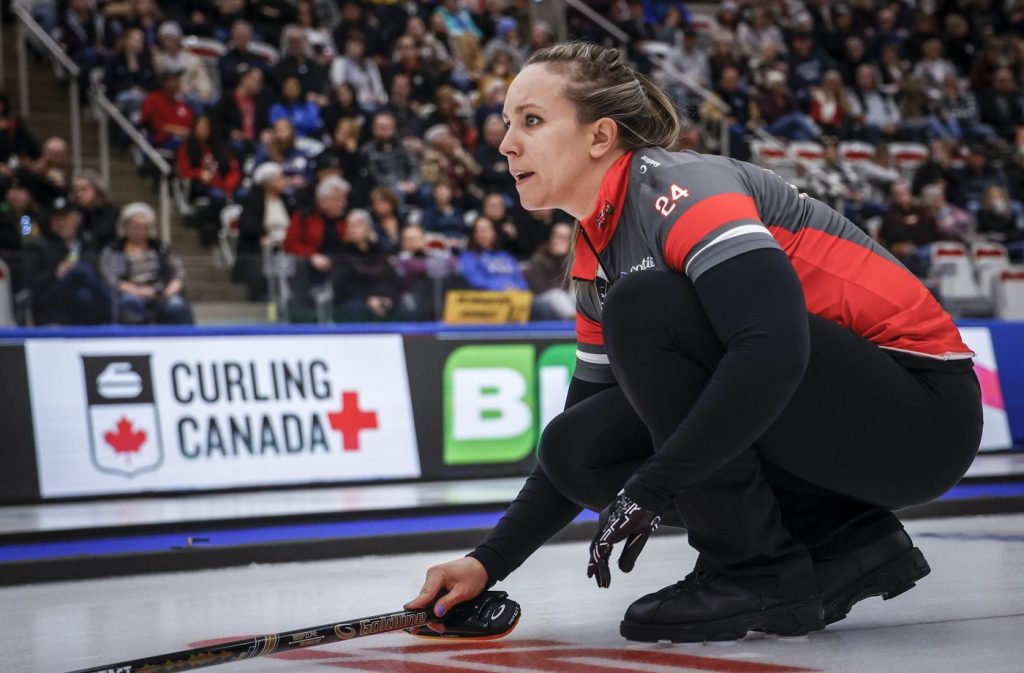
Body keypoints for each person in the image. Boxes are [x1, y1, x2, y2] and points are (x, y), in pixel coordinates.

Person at [406, 41, 981, 645]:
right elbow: (585, 429)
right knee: (578, 447)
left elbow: (772, 350)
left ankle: (755, 571)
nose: (506, 144)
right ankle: (845, 539)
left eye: (531, 120)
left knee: (647, 303)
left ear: (600, 136)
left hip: (923, 413)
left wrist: (653, 487)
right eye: (505, 124)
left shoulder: (682, 187)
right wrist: (488, 561)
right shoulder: (594, 256)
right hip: (840, 425)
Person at [100, 202, 193, 324]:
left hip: (161, 291)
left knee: (176, 305)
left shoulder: (161, 248)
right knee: (131, 303)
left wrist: (171, 288)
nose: (141, 232)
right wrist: (138, 291)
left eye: (145, 227)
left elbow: (179, 272)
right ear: (125, 227)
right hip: (131, 292)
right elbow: (111, 278)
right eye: (136, 227)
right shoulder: (115, 250)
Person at [28, 197, 111, 325]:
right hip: (52, 296)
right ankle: (110, 312)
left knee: (84, 294)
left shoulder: (86, 243)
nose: (60, 222)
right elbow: (33, 283)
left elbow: (98, 272)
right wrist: (56, 273)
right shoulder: (39, 246)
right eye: (57, 217)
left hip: (81, 300)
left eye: (66, 217)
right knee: (81, 270)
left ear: (77, 219)